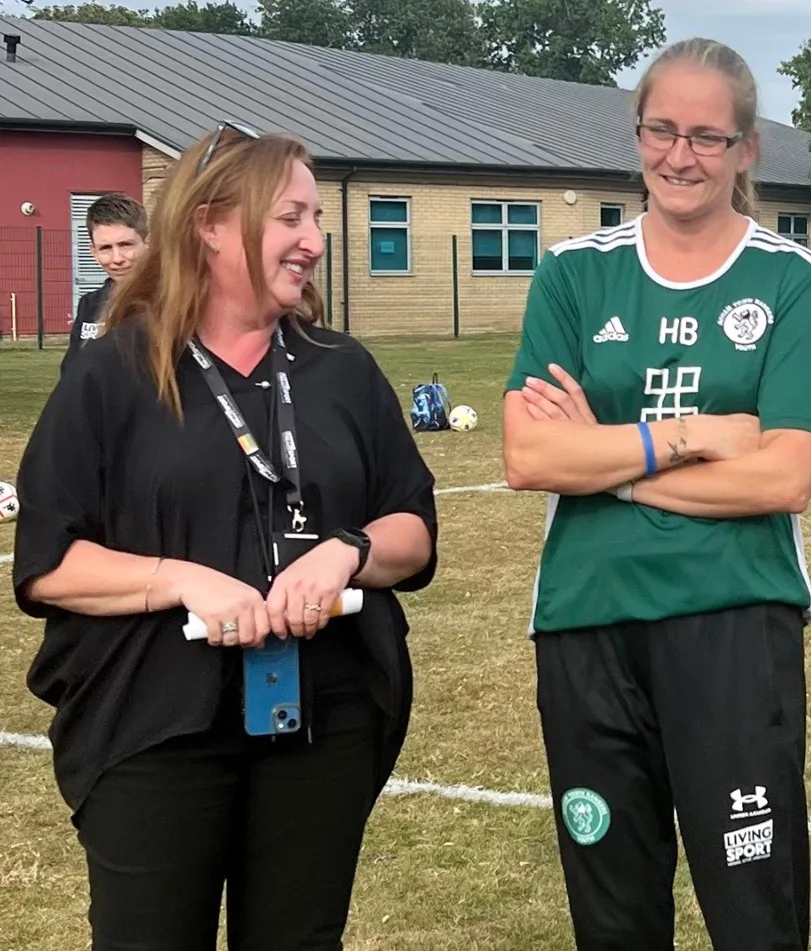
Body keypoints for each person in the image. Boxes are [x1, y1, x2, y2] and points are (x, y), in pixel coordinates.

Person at [11, 123, 438, 950]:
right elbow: (50, 561)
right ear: (210, 225)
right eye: (291, 219)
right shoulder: (114, 371)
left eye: (316, 219)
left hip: (323, 719)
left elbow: (412, 526)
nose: (314, 242)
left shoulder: (341, 367)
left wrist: (347, 547)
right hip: (155, 722)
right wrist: (180, 578)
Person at [501, 37, 811, 951]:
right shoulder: (573, 273)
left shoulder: (792, 280)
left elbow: (784, 477)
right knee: (613, 912)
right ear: (637, 132)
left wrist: (606, 458)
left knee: (753, 909)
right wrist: (688, 439)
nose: (680, 156)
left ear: (745, 151)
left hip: (735, 621)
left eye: (706, 136)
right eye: (661, 130)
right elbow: (530, 456)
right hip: (587, 617)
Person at [60, 191, 148, 377]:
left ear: (147, 242)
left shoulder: (171, 298)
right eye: (106, 248)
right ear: (94, 252)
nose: (117, 259)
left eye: (126, 245)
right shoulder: (90, 304)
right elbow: (72, 373)